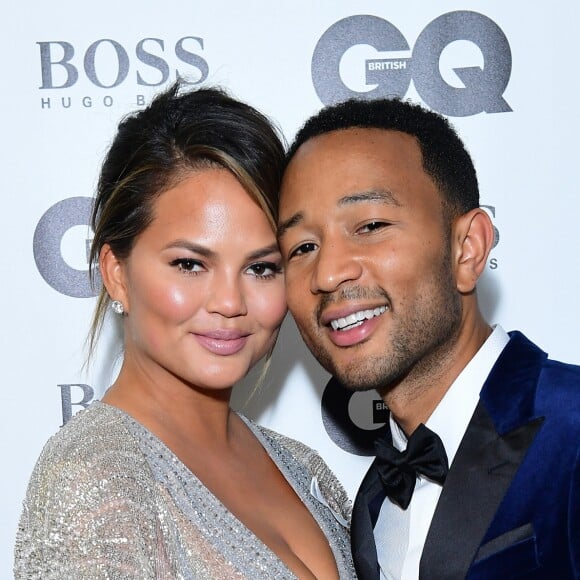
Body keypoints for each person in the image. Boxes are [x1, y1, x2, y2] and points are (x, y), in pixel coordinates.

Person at [14, 84, 357, 579]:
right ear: (116, 272)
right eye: (191, 264)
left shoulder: (302, 467)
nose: (229, 303)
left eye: (261, 268)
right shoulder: (98, 475)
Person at [277, 97, 580, 579]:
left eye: (371, 226)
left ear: (468, 249)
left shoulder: (572, 427)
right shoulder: (374, 501)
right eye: (302, 247)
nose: (329, 272)